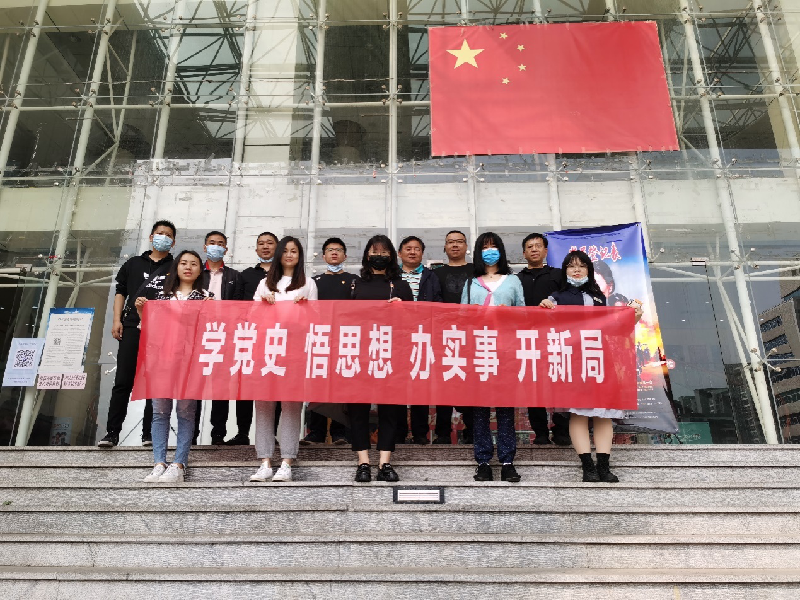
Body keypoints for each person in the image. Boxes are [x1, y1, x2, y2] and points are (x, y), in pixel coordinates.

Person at [539, 250, 643, 483]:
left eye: (582, 266)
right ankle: (587, 466)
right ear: (565, 271)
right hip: (574, 361)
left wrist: (633, 316)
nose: (576, 270)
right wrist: (545, 308)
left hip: (600, 359)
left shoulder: (599, 298)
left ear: (589, 270)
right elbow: (545, 325)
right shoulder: (557, 297)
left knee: (604, 414)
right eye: (571, 266)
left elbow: (615, 329)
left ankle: (604, 466)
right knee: (579, 413)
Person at [98, 220, 176, 448]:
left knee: (154, 381)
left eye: (168, 235)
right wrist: (116, 320)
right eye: (160, 233)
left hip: (162, 331)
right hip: (132, 325)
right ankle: (112, 432)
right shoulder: (133, 263)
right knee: (123, 380)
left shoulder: (175, 267)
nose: (163, 237)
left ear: (173, 242)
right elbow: (120, 292)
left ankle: (149, 434)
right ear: (151, 237)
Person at [139, 250, 213, 483]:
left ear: (200, 270)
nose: (188, 267)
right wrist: (142, 311)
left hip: (190, 362)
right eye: (183, 263)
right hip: (162, 360)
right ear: (176, 268)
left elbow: (211, 331)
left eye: (194, 264)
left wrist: (212, 311)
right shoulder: (161, 297)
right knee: (160, 412)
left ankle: (179, 463)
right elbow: (149, 330)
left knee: (185, 412)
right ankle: (159, 463)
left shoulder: (206, 297)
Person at [249, 236, 318, 483]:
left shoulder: (308, 283)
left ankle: (287, 461)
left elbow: (315, 320)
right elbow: (251, 318)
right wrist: (263, 305)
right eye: (285, 250)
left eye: (294, 251)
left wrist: (305, 308)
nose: (289, 255)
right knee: (264, 406)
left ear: (300, 256)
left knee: (291, 406)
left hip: (294, 352)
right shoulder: (264, 284)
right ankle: (265, 462)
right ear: (278, 254)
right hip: (267, 350)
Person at [461, 232, 525, 483]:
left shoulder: (513, 281)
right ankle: (483, 461)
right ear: (478, 252)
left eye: (494, 246)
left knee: (506, 409)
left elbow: (524, 316)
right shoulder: (471, 283)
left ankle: (507, 461)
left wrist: (510, 314)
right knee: (479, 410)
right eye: (485, 247)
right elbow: (462, 319)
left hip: (506, 352)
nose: (490, 251)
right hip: (479, 352)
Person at [349, 234, 413, 483]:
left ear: (392, 256)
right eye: (375, 251)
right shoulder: (355, 284)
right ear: (367, 255)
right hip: (360, 353)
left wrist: (402, 309)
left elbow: (412, 323)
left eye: (384, 252)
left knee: (390, 409)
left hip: (390, 354)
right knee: (358, 409)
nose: (379, 256)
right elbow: (342, 317)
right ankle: (363, 462)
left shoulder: (401, 286)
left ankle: (385, 462)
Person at [517, 233, 570, 446]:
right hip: (528, 339)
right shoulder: (516, 279)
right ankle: (539, 432)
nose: (534, 249)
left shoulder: (558, 275)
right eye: (529, 247)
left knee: (559, 383)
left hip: (555, 338)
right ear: (524, 253)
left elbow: (568, 301)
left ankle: (561, 429)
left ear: (546, 251)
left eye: (538, 246)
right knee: (534, 386)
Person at [228, 231, 279, 445]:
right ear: (256, 248)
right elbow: (237, 304)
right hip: (249, 336)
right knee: (245, 384)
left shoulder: (286, 276)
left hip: (276, 336)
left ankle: (272, 434)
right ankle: (242, 432)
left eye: (270, 243)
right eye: (261, 243)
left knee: (274, 384)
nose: (265, 247)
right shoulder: (246, 275)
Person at [305, 237, 356, 445]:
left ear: (345, 255)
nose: (334, 253)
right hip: (320, 338)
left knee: (341, 386)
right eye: (330, 250)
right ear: (323, 255)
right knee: (317, 385)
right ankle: (315, 432)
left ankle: (339, 432)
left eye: (338, 250)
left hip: (345, 339)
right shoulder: (313, 282)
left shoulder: (354, 280)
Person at [396, 235, 443, 445]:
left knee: (420, 384)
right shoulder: (392, 275)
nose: (412, 252)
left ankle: (420, 433)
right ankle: (398, 432)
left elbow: (438, 302)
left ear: (422, 253)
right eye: (408, 248)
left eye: (417, 249)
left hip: (423, 335)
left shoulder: (431, 276)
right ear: (400, 253)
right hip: (397, 337)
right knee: (396, 385)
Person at [201, 231, 244, 445]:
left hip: (223, 335)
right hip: (198, 335)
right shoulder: (195, 273)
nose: (215, 247)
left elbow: (238, 307)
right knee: (195, 385)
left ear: (226, 249)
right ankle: (190, 434)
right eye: (212, 243)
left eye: (220, 244)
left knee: (221, 386)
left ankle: (218, 434)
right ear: (205, 247)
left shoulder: (235, 276)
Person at [433, 230, 475, 444]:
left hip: (473, 336)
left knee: (471, 383)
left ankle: (472, 429)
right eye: (450, 242)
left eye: (459, 242)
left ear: (466, 246)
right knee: (444, 383)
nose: (455, 245)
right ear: (445, 247)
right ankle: (442, 433)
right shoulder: (435, 273)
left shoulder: (477, 271)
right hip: (444, 336)